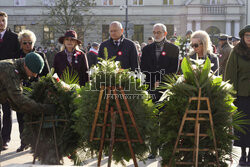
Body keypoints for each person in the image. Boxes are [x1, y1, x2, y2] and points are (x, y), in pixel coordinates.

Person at [0, 52, 55, 152]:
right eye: (33, 72)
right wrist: (45, 108)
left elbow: (14, 103)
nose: (34, 75)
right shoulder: (10, 70)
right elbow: (19, 100)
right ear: (25, 65)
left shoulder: (18, 71)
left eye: (36, 73)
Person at [140, 23, 179, 159]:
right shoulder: (147, 49)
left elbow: (174, 69)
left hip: (165, 88)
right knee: (152, 118)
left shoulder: (174, 49)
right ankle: (153, 149)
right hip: (150, 87)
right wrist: (153, 79)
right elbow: (143, 67)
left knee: (165, 118)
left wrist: (161, 80)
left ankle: (165, 147)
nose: (156, 35)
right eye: (154, 32)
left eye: (159, 32)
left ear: (165, 33)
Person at [15, 29, 50, 152]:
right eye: (25, 43)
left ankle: (36, 143)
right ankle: (23, 142)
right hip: (20, 91)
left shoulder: (40, 55)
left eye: (30, 42)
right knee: (21, 118)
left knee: (36, 117)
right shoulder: (17, 56)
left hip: (36, 90)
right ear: (20, 43)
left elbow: (47, 74)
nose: (28, 45)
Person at [225, 25, 250, 166]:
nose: (249, 38)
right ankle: (243, 153)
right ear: (243, 37)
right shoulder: (237, 51)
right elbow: (230, 73)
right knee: (242, 125)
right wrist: (230, 94)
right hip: (241, 94)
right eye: (247, 35)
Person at [0, 11, 20, 151]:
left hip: (7, 80)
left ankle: (5, 139)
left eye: (3, 20)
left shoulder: (14, 38)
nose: (1, 23)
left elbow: (17, 58)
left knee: (7, 111)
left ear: (7, 21)